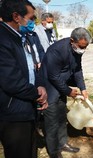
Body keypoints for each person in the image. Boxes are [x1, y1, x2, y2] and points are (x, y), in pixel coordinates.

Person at [0, 0, 48, 158]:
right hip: (13, 113)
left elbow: (33, 67)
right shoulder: (3, 39)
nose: (33, 22)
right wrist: (38, 95)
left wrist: (40, 86)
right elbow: (12, 81)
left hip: (27, 108)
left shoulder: (21, 37)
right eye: (31, 18)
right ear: (16, 16)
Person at [40, 27, 92, 158]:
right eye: (81, 46)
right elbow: (53, 76)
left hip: (61, 88)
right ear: (72, 41)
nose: (83, 50)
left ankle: (63, 143)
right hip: (50, 89)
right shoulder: (57, 51)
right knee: (52, 122)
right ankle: (54, 152)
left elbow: (78, 70)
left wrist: (83, 88)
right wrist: (69, 91)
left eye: (85, 47)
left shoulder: (77, 51)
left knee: (61, 117)